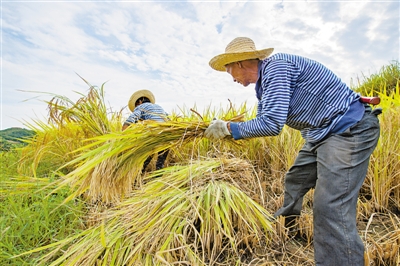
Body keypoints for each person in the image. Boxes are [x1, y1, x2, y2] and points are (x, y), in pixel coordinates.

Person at [205, 37, 381, 265]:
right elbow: (263, 118)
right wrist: (231, 128)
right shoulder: (266, 84)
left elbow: (271, 124)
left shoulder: (276, 67)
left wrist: (228, 129)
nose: (232, 79)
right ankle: (286, 227)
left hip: (348, 129)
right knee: (296, 179)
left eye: (230, 72)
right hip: (320, 134)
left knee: (331, 206)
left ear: (240, 63)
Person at [123, 89, 169, 172]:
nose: (136, 107)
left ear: (140, 101)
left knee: (145, 160)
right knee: (160, 163)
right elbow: (168, 119)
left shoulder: (141, 107)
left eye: (136, 104)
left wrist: (122, 135)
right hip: (166, 136)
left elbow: (131, 119)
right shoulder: (159, 107)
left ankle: (137, 180)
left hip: (153, 135)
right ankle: (157, 181)